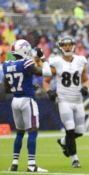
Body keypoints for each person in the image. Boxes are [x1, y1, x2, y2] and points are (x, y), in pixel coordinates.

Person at [3, 39, 49, 172]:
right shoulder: (26, 62)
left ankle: (14, 163)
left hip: (14, 101)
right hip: (27, 100)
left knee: (19, 133)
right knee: (33, 132)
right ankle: (31, 164)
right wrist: (44, 59)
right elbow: (45, 72)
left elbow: (7, 89)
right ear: (23, 49)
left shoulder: (6, 65)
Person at [43, 36, 89, 168]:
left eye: (69, 44)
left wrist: (85, 87)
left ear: (73, 46)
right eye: (64, 45)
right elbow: (46, 81)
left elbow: (85, 79)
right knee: (70, 130)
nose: (67, 47)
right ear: (61, 47)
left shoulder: (81, 61)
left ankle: (64, 141)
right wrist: (49, 91)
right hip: (64, 101)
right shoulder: (56, 62)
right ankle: (75, 159)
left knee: (80, 132)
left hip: (78, 100)